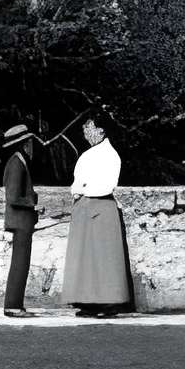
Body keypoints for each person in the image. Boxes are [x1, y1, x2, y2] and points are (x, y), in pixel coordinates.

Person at [60, 117, 133, 319]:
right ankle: (88, 301)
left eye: (89, 128)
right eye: (85, 129)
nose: (86, 133)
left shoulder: (111, 156)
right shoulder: (87, 155)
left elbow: (107, 184)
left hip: (100, 206)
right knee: (85, 258)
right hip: (84, 206)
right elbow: (77, 182)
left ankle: (108, 302)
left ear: (101, 130)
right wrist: (78, 190)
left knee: (103, 258)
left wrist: (84, 190)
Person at [0, 123, 38, 319]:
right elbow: (13, 198)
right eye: (29, 142)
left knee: (21, 263)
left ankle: (16, 305)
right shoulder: (16, 163)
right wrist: (33, 203)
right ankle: (13, 306)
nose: (32, 145)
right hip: (20, 221)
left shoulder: (18, 161)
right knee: (19, 264)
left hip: (23, 221)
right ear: (23, 144)